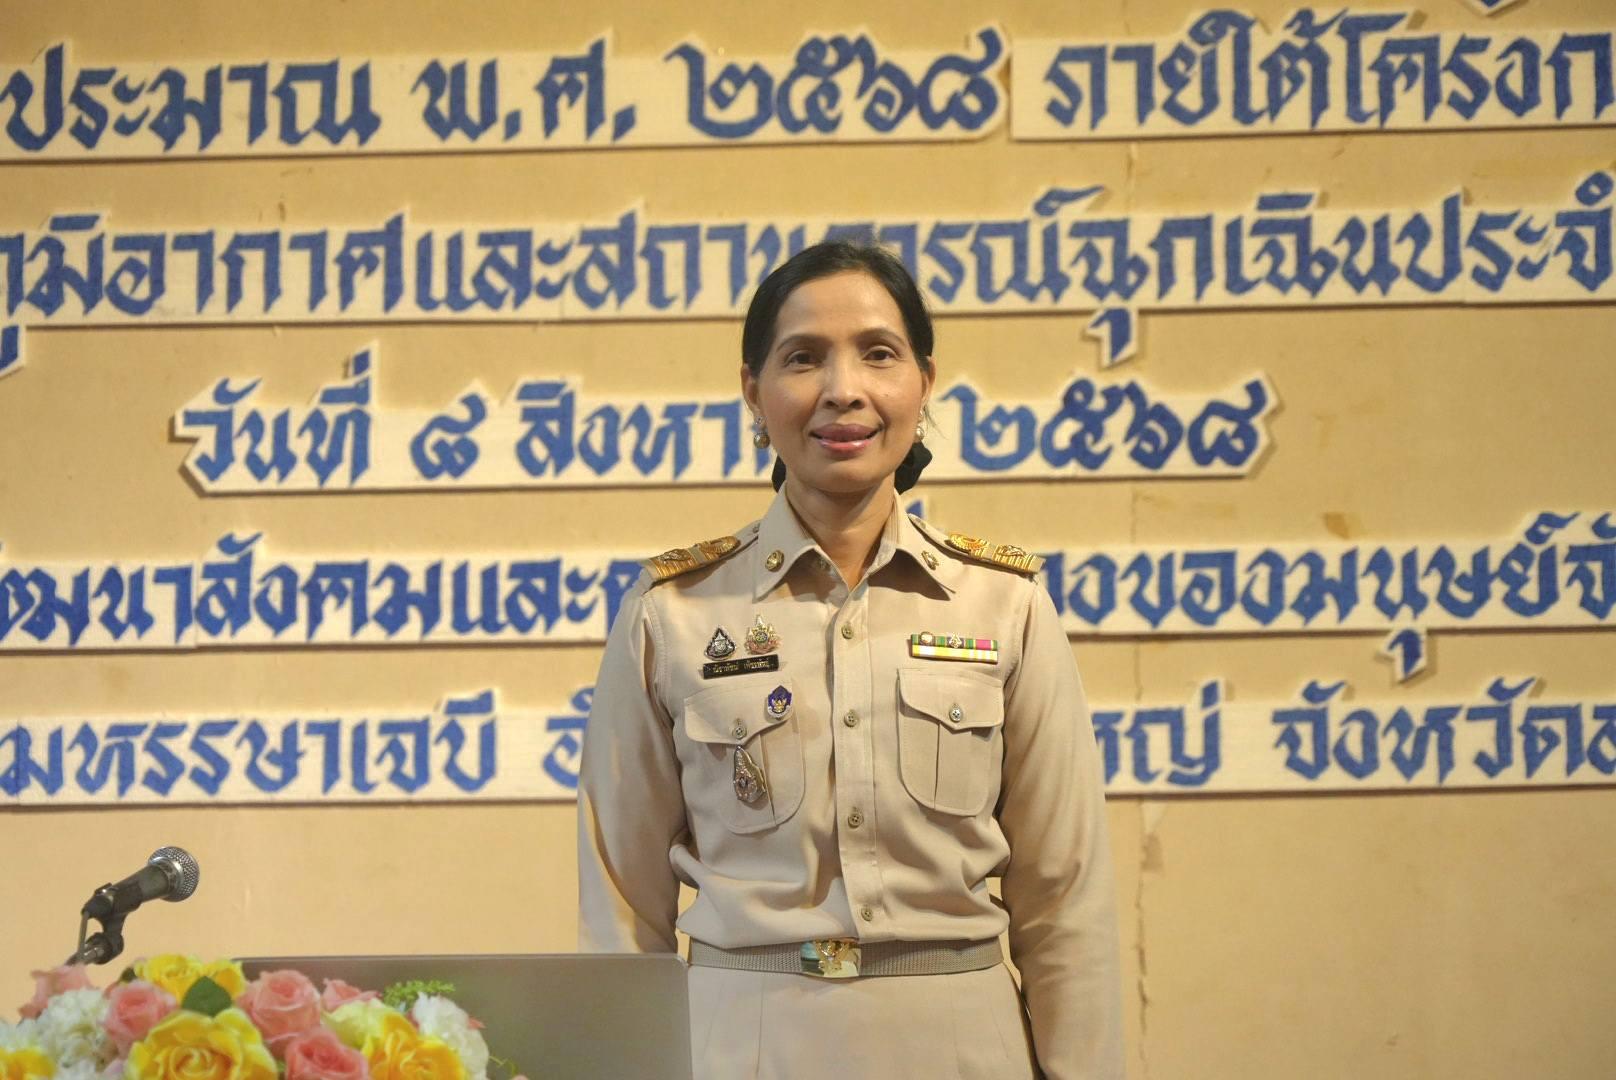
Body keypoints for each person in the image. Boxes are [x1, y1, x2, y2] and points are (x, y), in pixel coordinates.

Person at [577, 241, 1122, 1079]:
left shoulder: (1004, 606)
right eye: (803, 358)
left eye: (878, 353)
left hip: (962, 1045)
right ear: (753, 391)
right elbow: (621, 910)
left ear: (924, 383)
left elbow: (1064, 901)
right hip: (740, 1046)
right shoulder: (672, 615)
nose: (843, 389)